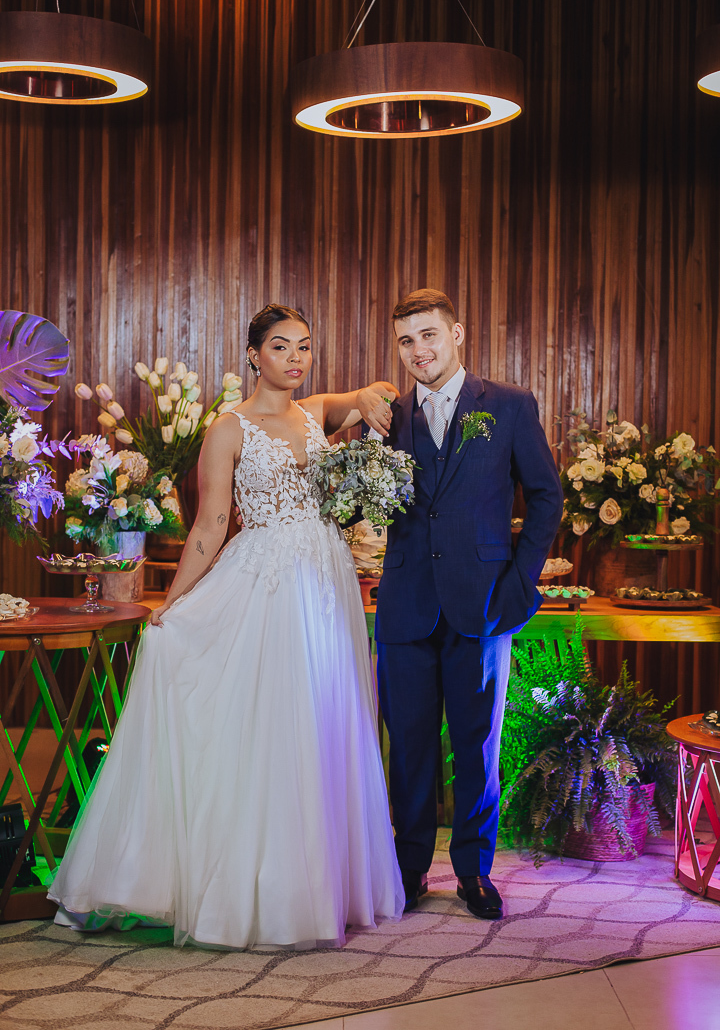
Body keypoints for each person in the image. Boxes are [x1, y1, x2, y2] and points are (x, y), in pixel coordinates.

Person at [48, 304, 405, 949]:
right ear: (253, 356)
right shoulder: (229, 428)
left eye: (304, 346)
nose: (295, 358)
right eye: (280, 346)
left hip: (325, 583)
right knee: (269, 727)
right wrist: (173, 604)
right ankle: (248, 889)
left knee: (321, 720)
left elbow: (369, 395)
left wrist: (372, 401)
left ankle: (313, 887)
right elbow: (211, 526)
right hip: (267, 583)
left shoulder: (314, 412)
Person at [375, 288, 563, 920]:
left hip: (484, 603)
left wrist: (519, 583)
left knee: (477, 743)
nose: (418, 350)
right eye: (406, 340)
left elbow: (546, 497)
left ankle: (474, 872)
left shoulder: (508, 404)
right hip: (405, 603)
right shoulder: (387, 417)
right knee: (408, 746)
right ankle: (408, 869)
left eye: (428, 335)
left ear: (457, 334)